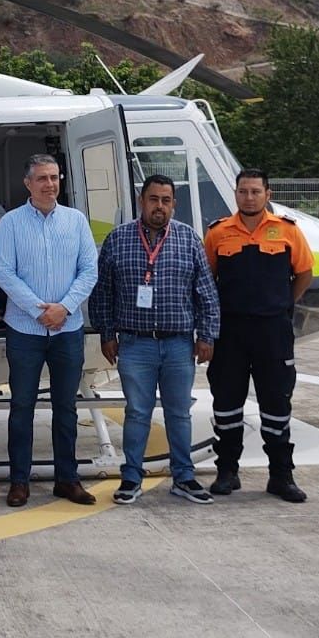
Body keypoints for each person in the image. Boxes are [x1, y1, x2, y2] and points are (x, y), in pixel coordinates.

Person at [89, 175, 221, 506]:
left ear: (173, 204)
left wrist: (206, 336)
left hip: (179, 344)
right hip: (135, 344)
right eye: (153, 199)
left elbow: (206, 293)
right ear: (141, 201)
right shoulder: (118, 239)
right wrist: (107, 333)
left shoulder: (189, 239)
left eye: (165, 200)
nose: (159, 206)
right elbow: (102, 292)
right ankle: (131, 477)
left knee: (179, 413)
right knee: (137, 413)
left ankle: (184, 477)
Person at [0, 154, 98, 507]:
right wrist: (39, 310)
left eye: (54, 177)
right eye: (41, 178)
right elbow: (4, 273)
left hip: (67, 329)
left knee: (66, 407)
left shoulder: (76, 220)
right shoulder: (10, 223)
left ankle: (67, 479)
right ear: (28, 183)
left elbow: (88, 270)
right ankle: (19, 481)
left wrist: (64, 308)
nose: (49, 184)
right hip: (25, 330)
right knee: (22, 405)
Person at [204, 169, 315, 503]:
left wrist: (281, 305)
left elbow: (305, 273)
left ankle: (281, 476)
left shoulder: (287, 232)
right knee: (226, 404)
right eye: (243, 191)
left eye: (255, 191)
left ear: (268, 193)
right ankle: (227, 472)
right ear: (235, 194)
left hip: (273, 332)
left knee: (277, 403)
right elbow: (207, 279)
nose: (248, 197)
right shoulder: (218, 233)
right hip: (230, 332)